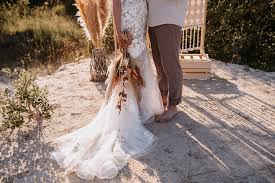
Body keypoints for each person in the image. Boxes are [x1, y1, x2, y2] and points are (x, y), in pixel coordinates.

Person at [50, 0, 163, 180]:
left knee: (139, 60)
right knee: (129, 59)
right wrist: (118, 31)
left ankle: (141, 106)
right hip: (128, 19)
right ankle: (129, 110)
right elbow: (116, 3)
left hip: (140, 18)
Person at [147, 0, 188, 122]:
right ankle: (163, 99)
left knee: (170, 64)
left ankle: (173, 105)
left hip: (169, 18)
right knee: (159, 64)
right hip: (153, 20)